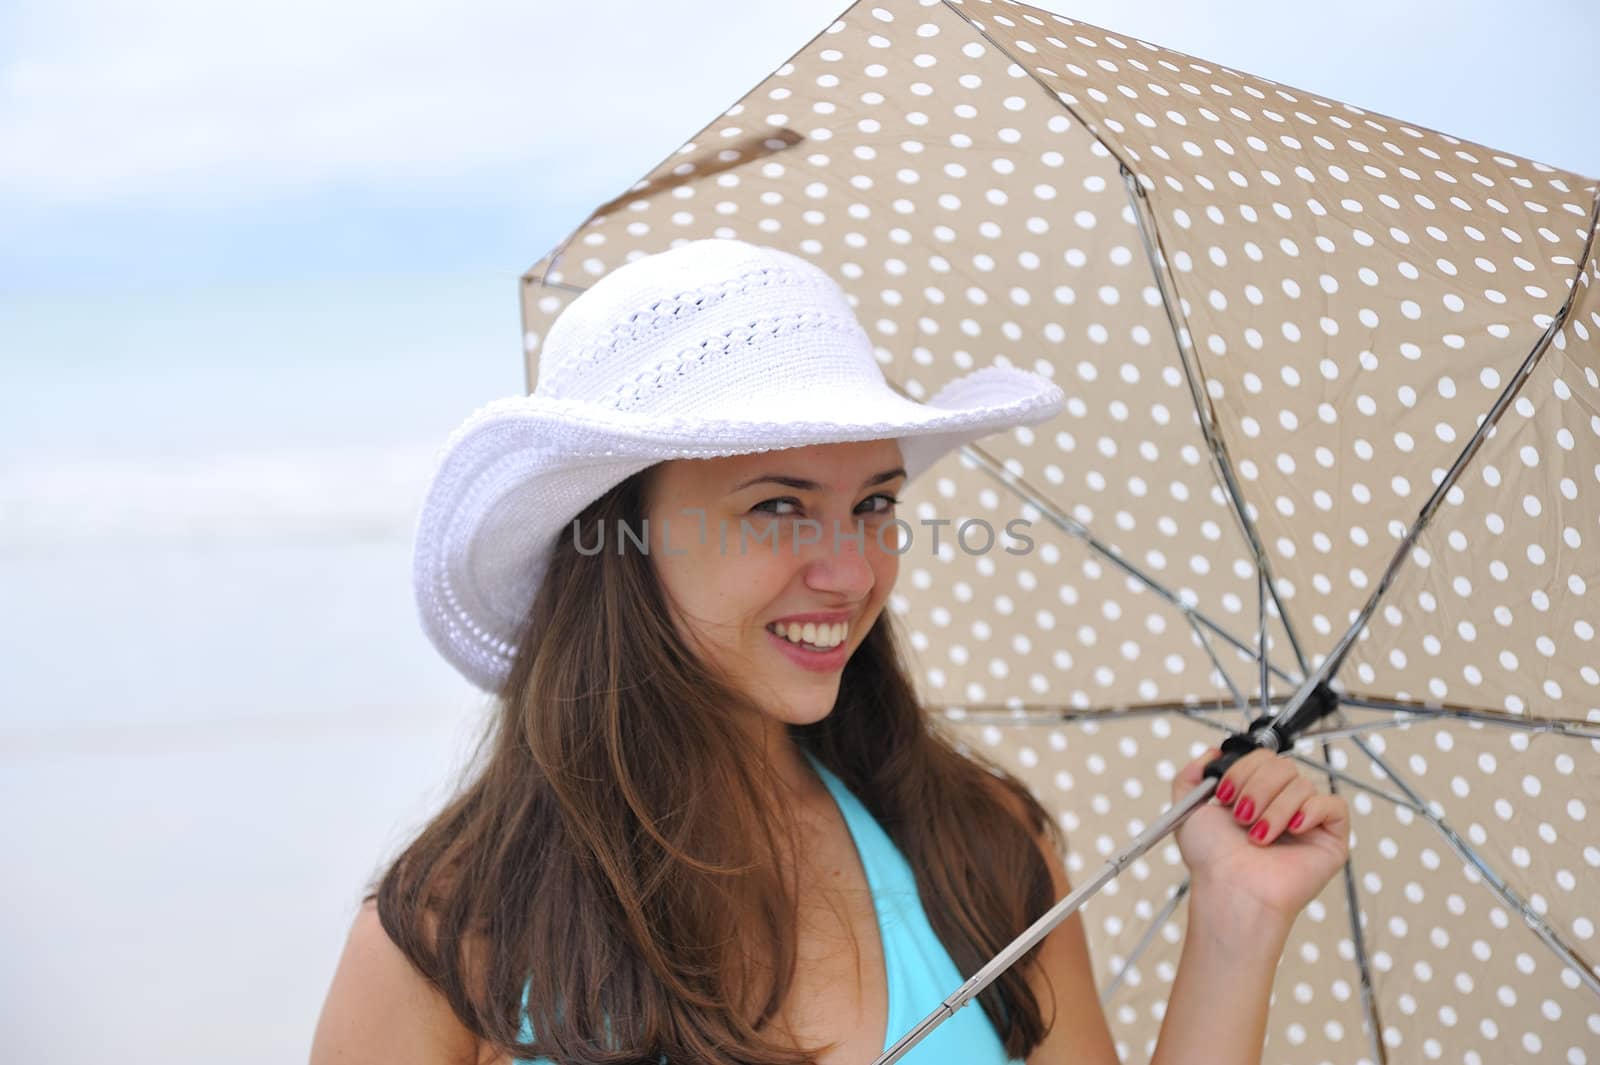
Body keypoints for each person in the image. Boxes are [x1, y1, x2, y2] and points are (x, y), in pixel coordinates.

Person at [309, 239, 1350, 1065]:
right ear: (622, 540)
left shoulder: (976, 854)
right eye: (777, 506)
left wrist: (1235, 922)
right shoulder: (452, 936)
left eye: (874, 504)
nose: (852, 574)